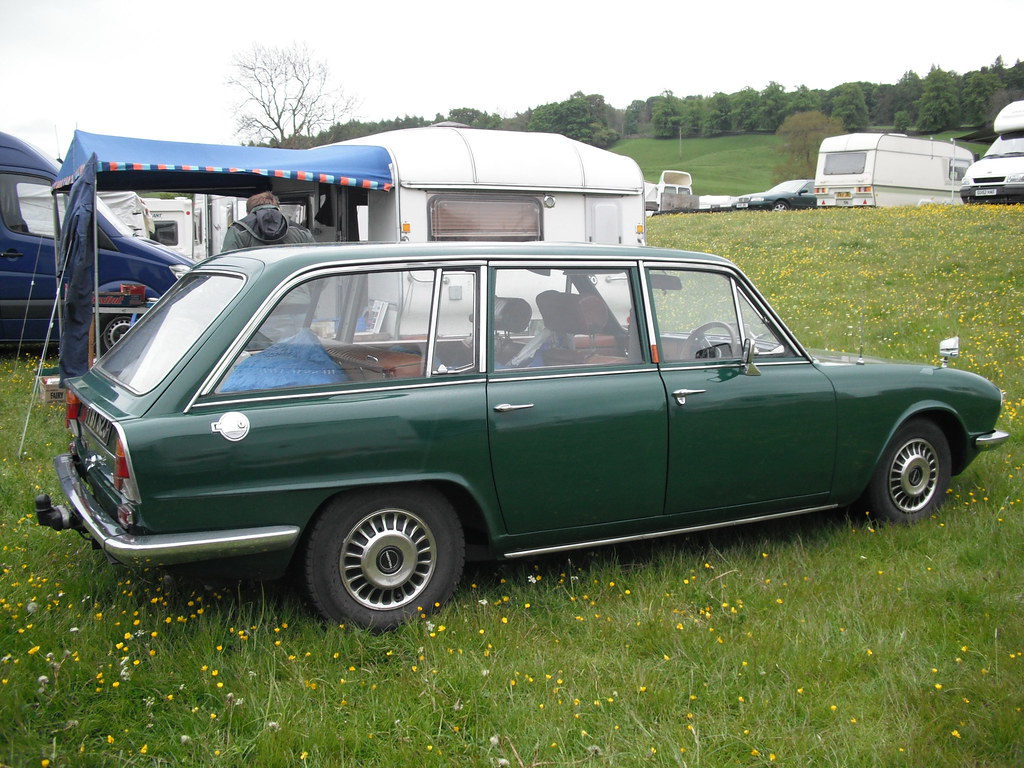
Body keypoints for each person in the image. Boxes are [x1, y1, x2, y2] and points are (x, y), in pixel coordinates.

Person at [221, 192, 315, 252]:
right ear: (278, 208)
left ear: (249, 212)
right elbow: (313, 261)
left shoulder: (238, 230)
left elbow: (227, 263)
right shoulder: (301, 231)